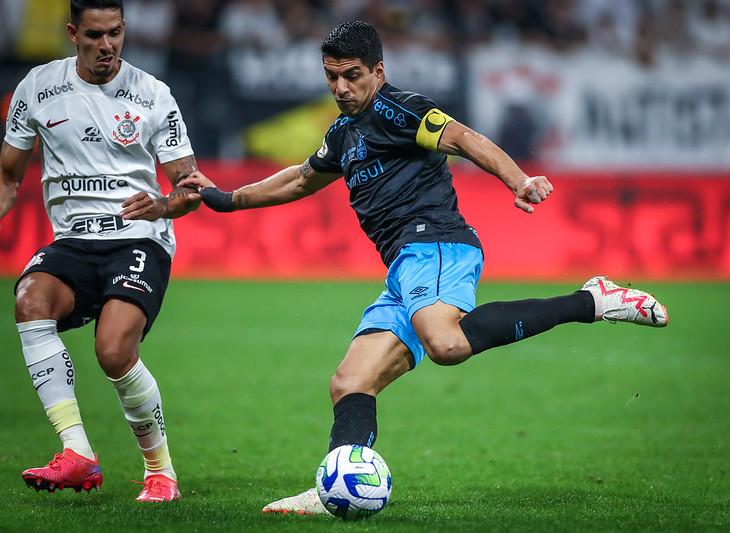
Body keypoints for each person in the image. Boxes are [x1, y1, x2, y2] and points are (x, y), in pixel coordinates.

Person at [181, 20, 669, 514]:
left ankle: (592, 300)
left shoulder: (401, 109)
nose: (341, 88)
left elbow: (465, 138)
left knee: (447, 343)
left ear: (378, 70)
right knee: (350, 383)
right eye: (332, 77)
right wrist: (228, 198)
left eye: (352, 75)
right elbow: (302, 179)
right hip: (402, 267)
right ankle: (335, 489)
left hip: (435, 244)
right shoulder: (344, 132)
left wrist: (517, 180)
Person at [0, 0, 200, 502]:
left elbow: (189, 187)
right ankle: (77, 453)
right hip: (73, 241)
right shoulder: (38, 88)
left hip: (138, 238)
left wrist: (161, 205)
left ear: (125, 30)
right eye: (93, 35)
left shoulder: (153, 95)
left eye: (114, 33)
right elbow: (8, 176)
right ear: (72, 33)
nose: (106, 45)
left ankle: (161, 472)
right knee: (29, 300)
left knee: (113, 352)